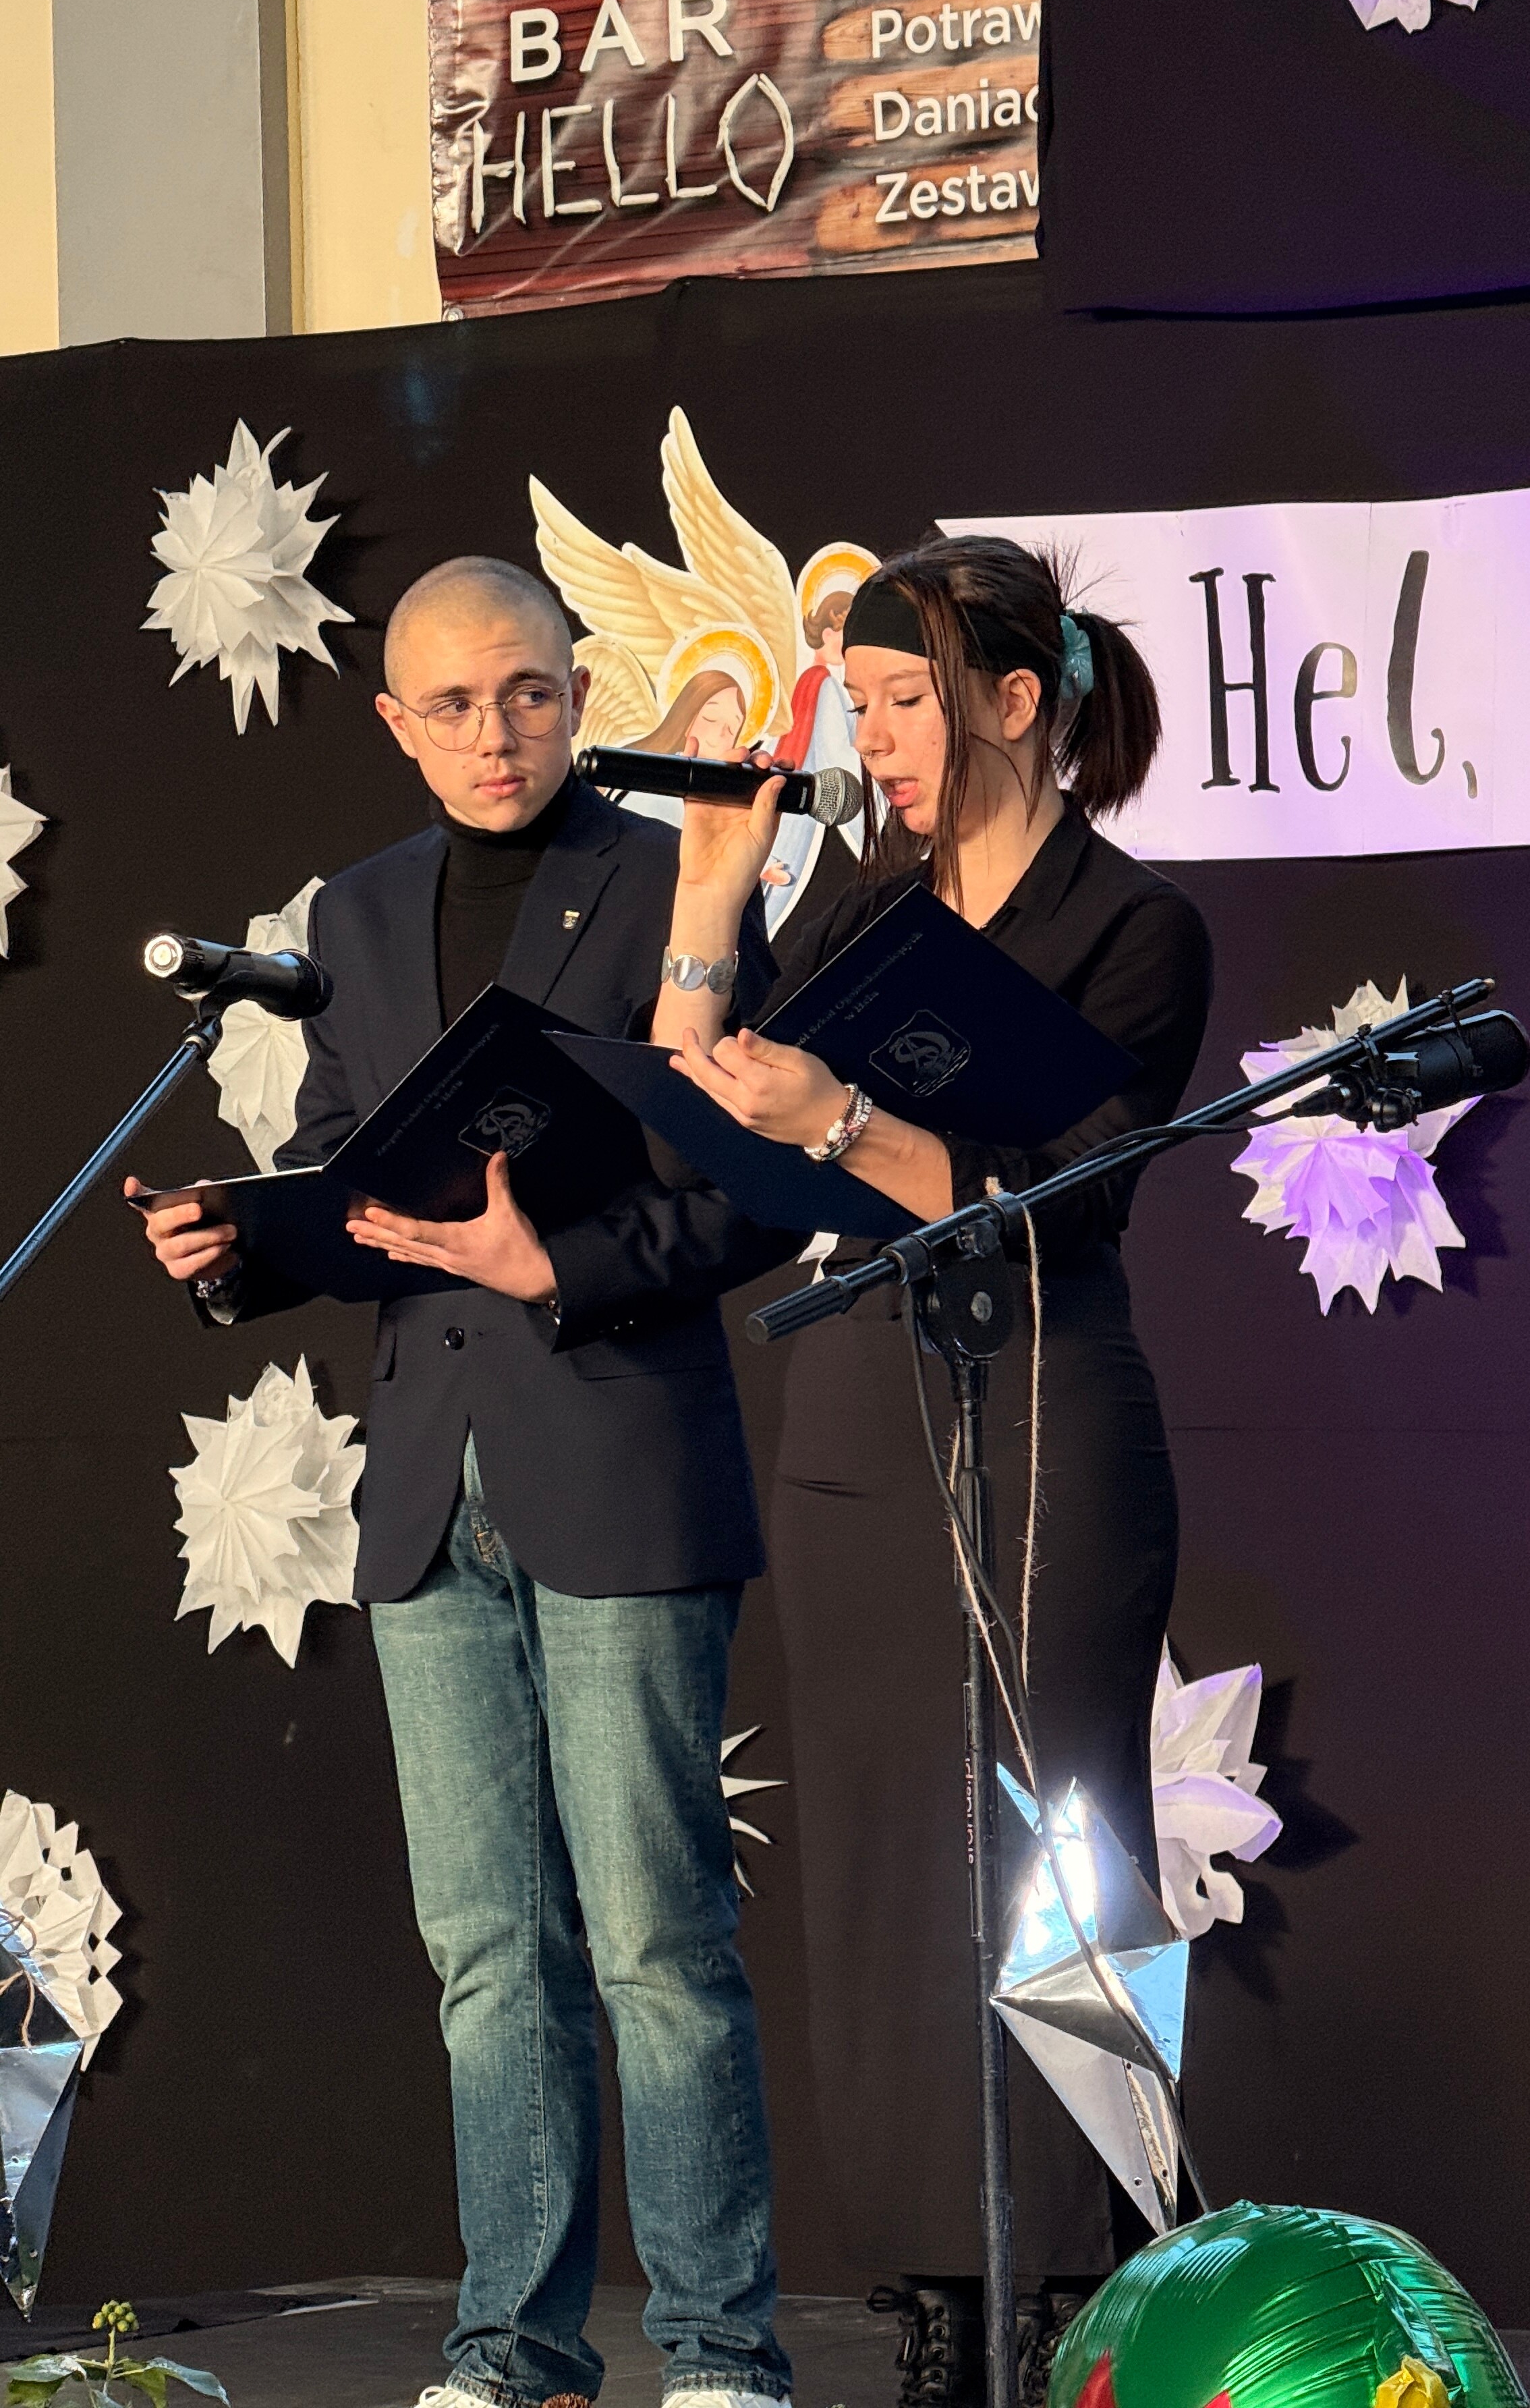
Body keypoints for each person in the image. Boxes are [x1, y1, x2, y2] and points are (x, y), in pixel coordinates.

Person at [128, 557, 795, 2408]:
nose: (494, 734)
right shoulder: (357, 907)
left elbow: (751, 1188)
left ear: (577, 691)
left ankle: (721, 2353)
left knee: (657, 1942)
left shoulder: (678, 877)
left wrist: (555, 1267)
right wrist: (240, 1253)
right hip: (428, 1488)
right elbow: (354, 1173)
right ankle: (513, 2349)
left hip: (618, 1454)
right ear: (394, 723)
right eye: (451, 704)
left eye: (526, 693)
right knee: (490, 1951)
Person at [650, 537, 1214, 2408]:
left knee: (1058, 1841)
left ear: (1013, 704)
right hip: (858, 1407)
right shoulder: (866, 906)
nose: (876, 738)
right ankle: (933, 2293)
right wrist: (711, 894)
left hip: (1044, 1397)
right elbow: (714, 1136)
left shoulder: (1132, 923)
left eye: (907, 701)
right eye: (862, 704)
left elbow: (1073, 1194)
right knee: (887, 1859)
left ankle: (1078, 2291)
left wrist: (850, 1120)